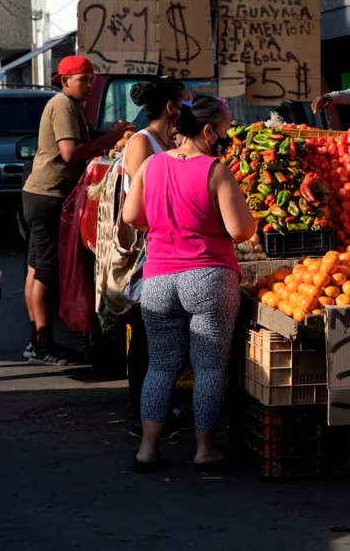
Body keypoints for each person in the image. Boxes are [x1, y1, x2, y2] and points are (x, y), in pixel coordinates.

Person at [122, 95, 256, 473]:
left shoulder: (151, 164)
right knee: (210, 366)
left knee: (161, 366)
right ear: (210, 131)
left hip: (160, 279)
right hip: (209, 277)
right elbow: (240, 231)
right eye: (227, 129)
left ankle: (147, 449)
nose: (228, 136)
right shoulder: (215, 170)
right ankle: (204, 449)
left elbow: (132, 216)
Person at [22, 56, 131, 366]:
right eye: (83, 79)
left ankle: (36, 343)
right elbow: (70, 154)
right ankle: (42, 345)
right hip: (48, 197)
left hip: (40, 195)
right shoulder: (62, 105)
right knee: (45, 272)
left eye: (91, 79)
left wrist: (112, 133)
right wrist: (110, 139)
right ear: (64, 81)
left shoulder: (75, 107)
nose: (89, 84)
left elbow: (90, 137)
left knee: (36, 268)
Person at [121, 75, 188, 439]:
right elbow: (144, 199)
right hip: (149, 252)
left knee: (167, 339)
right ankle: (140, 414)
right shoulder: (140, 143)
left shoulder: (170, 141)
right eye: (186, 102)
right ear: (171, 107)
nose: (189, 108)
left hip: (171, 247)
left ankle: (162, 408)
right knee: (147, 339)